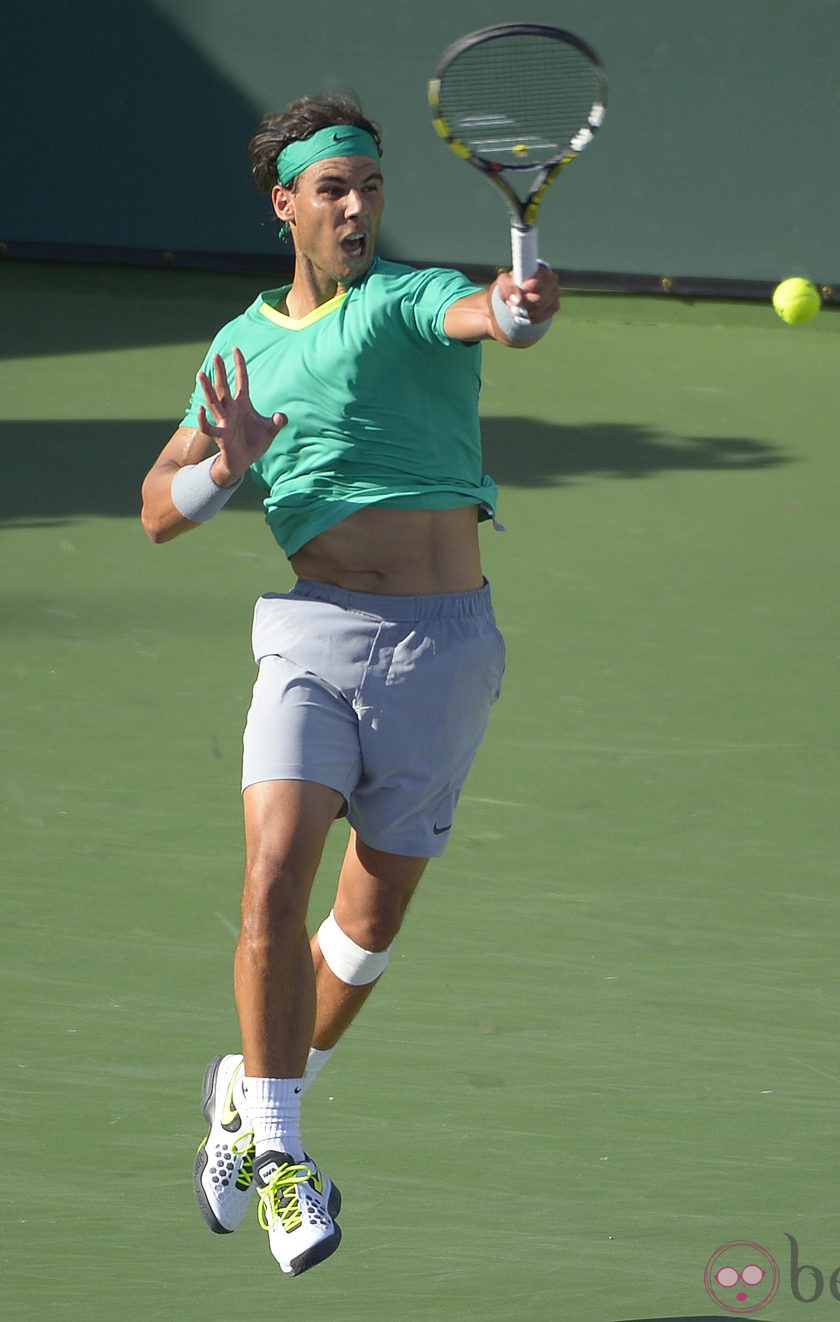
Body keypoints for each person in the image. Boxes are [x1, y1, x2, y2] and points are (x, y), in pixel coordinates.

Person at [140, 93, 559, 1278]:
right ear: (286, 205)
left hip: (446, 649)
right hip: (314, 637)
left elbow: (491, 315)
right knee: (273, 874)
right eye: (333, 190)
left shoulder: (408, 298)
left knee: (362, 936)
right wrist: (223, 468)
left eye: (370, 187)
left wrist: (515, 311)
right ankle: (282, 1156)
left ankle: (249, 1095)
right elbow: (151, 510)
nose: (358, 207)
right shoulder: (242, 348)